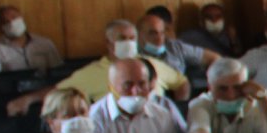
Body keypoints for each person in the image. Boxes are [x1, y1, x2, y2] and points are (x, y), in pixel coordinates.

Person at [57, 20, 189, 104]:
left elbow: (182, 83)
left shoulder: (153, 64)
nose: (128, 43)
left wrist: (180, 106)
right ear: (108, 43)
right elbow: (57, 92)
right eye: (122, 38)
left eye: (132, 38)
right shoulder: (91, 72)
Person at [86, 59, 188, 133]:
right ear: (111, 87)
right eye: (127, 85)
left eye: (142, 84)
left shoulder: (162, 115)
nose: (135, 91)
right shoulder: (94, 118)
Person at [0, 5, 63, 75]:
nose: (12, 23)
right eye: (5, 21)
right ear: (0, 28)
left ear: (22, 18)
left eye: (14, 17)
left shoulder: (45, 43)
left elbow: (58, 71)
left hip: (47, 86)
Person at [138, 9, 221, 77]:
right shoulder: (134, 53)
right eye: (153, 33)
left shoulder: (174, 46)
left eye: (162, 33)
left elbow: (214, 58)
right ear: (139, 35)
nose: (159, 39)